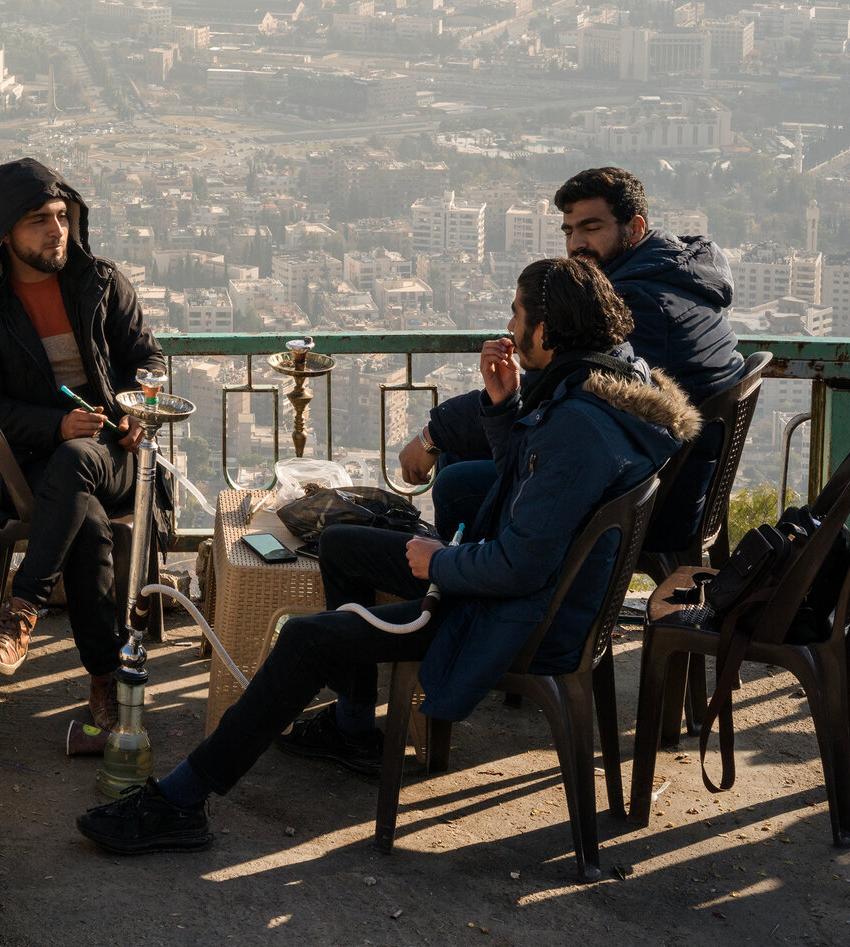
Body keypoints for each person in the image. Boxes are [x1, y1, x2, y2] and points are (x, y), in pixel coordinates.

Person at [75, 255, 697, 854]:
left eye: (516, 314)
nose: (508, 326)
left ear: (549, 329)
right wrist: (504, 407)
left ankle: (182, 802)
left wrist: (439, 565)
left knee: (308, 640)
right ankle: (352, 728)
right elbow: (528, 487)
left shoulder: (578, 428)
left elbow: (521, 564)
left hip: (510, 618)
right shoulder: (607, 384)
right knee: (341, 544)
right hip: (525, 593)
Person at [400, 165, 740, 550]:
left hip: (648, 502)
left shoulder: (637, 304)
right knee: (462, 450)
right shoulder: (673, 275)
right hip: (670, 475)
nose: (576, 243)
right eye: (568, 230)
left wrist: (431, 436)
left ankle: (471, 588)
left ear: (636, 228)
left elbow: (550, 391)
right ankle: (467, 573)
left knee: (455, 483)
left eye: (591, 228)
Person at [0, 158, 162, 742]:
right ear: (6, 231)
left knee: (81, 464)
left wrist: (136, 405)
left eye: (62, 217)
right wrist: (57, 424)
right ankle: (105, 679)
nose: (56, 231)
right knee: (85, 517)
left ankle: (19, 614)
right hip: (34, 459)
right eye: (39, 220)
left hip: (117, 449)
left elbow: (149, 359)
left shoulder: (101, 282)